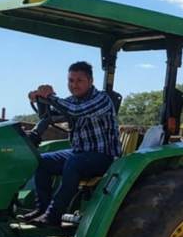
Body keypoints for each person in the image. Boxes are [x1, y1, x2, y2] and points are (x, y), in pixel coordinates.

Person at [26, 61, 121, 225]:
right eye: (71, 80)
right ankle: (42, 209)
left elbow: (76, 111)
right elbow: (49, 116)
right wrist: (40, 99)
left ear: (90, 81)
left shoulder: (101, 99)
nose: (74, 85)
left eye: (79, 80)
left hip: (103, 157)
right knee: (42, 161)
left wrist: (50, 96)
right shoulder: (72, 100)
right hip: (80, 153)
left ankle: (53, 215)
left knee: (74, 162)